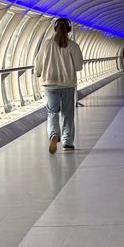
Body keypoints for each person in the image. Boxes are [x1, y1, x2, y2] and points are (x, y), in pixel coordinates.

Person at [35, 17, 83, 152]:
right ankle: (67, 141)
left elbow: (38, 63)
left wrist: (38, 73)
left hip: (50, 84)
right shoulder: (73, 45)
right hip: (68, 84)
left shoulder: (46, 44)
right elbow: (79, 66)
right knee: (68, 114)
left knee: (52, 113)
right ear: (69, 29)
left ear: (55, 28)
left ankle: (54, 134)